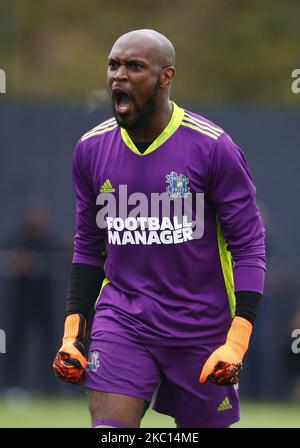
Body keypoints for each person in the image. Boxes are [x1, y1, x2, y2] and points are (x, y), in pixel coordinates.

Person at [53, 29, 266, 428]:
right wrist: (72, 335)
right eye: (113, 65)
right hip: (123, 320)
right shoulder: (90, 149)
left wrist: (236, 344)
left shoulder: (213, 147)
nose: (119, 75)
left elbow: (249, 246)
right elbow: (88, 246)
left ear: (166, 77)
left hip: (201, 328)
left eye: (135, 66)